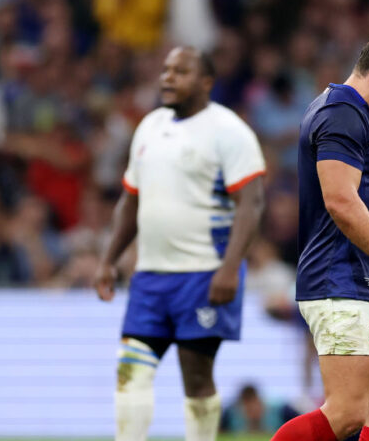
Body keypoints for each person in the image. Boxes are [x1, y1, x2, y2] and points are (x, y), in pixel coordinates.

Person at [94, 46, 266, 441]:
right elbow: (130, 199)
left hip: (204, 274)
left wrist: (229, 269)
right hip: (150, 276)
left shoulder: (229, 130)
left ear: (206, 82)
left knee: (196, 375)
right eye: (166, 69)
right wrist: (108, 259)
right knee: (130, 367)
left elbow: (251, 204)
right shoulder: (149, 126)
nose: (168, 77)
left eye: (181, 71)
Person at [270, 29, 369, 441]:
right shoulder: (339, 114)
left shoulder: (366, 120)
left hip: (367, 279)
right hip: (339, 280)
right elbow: (340, 201)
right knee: (346, 413)